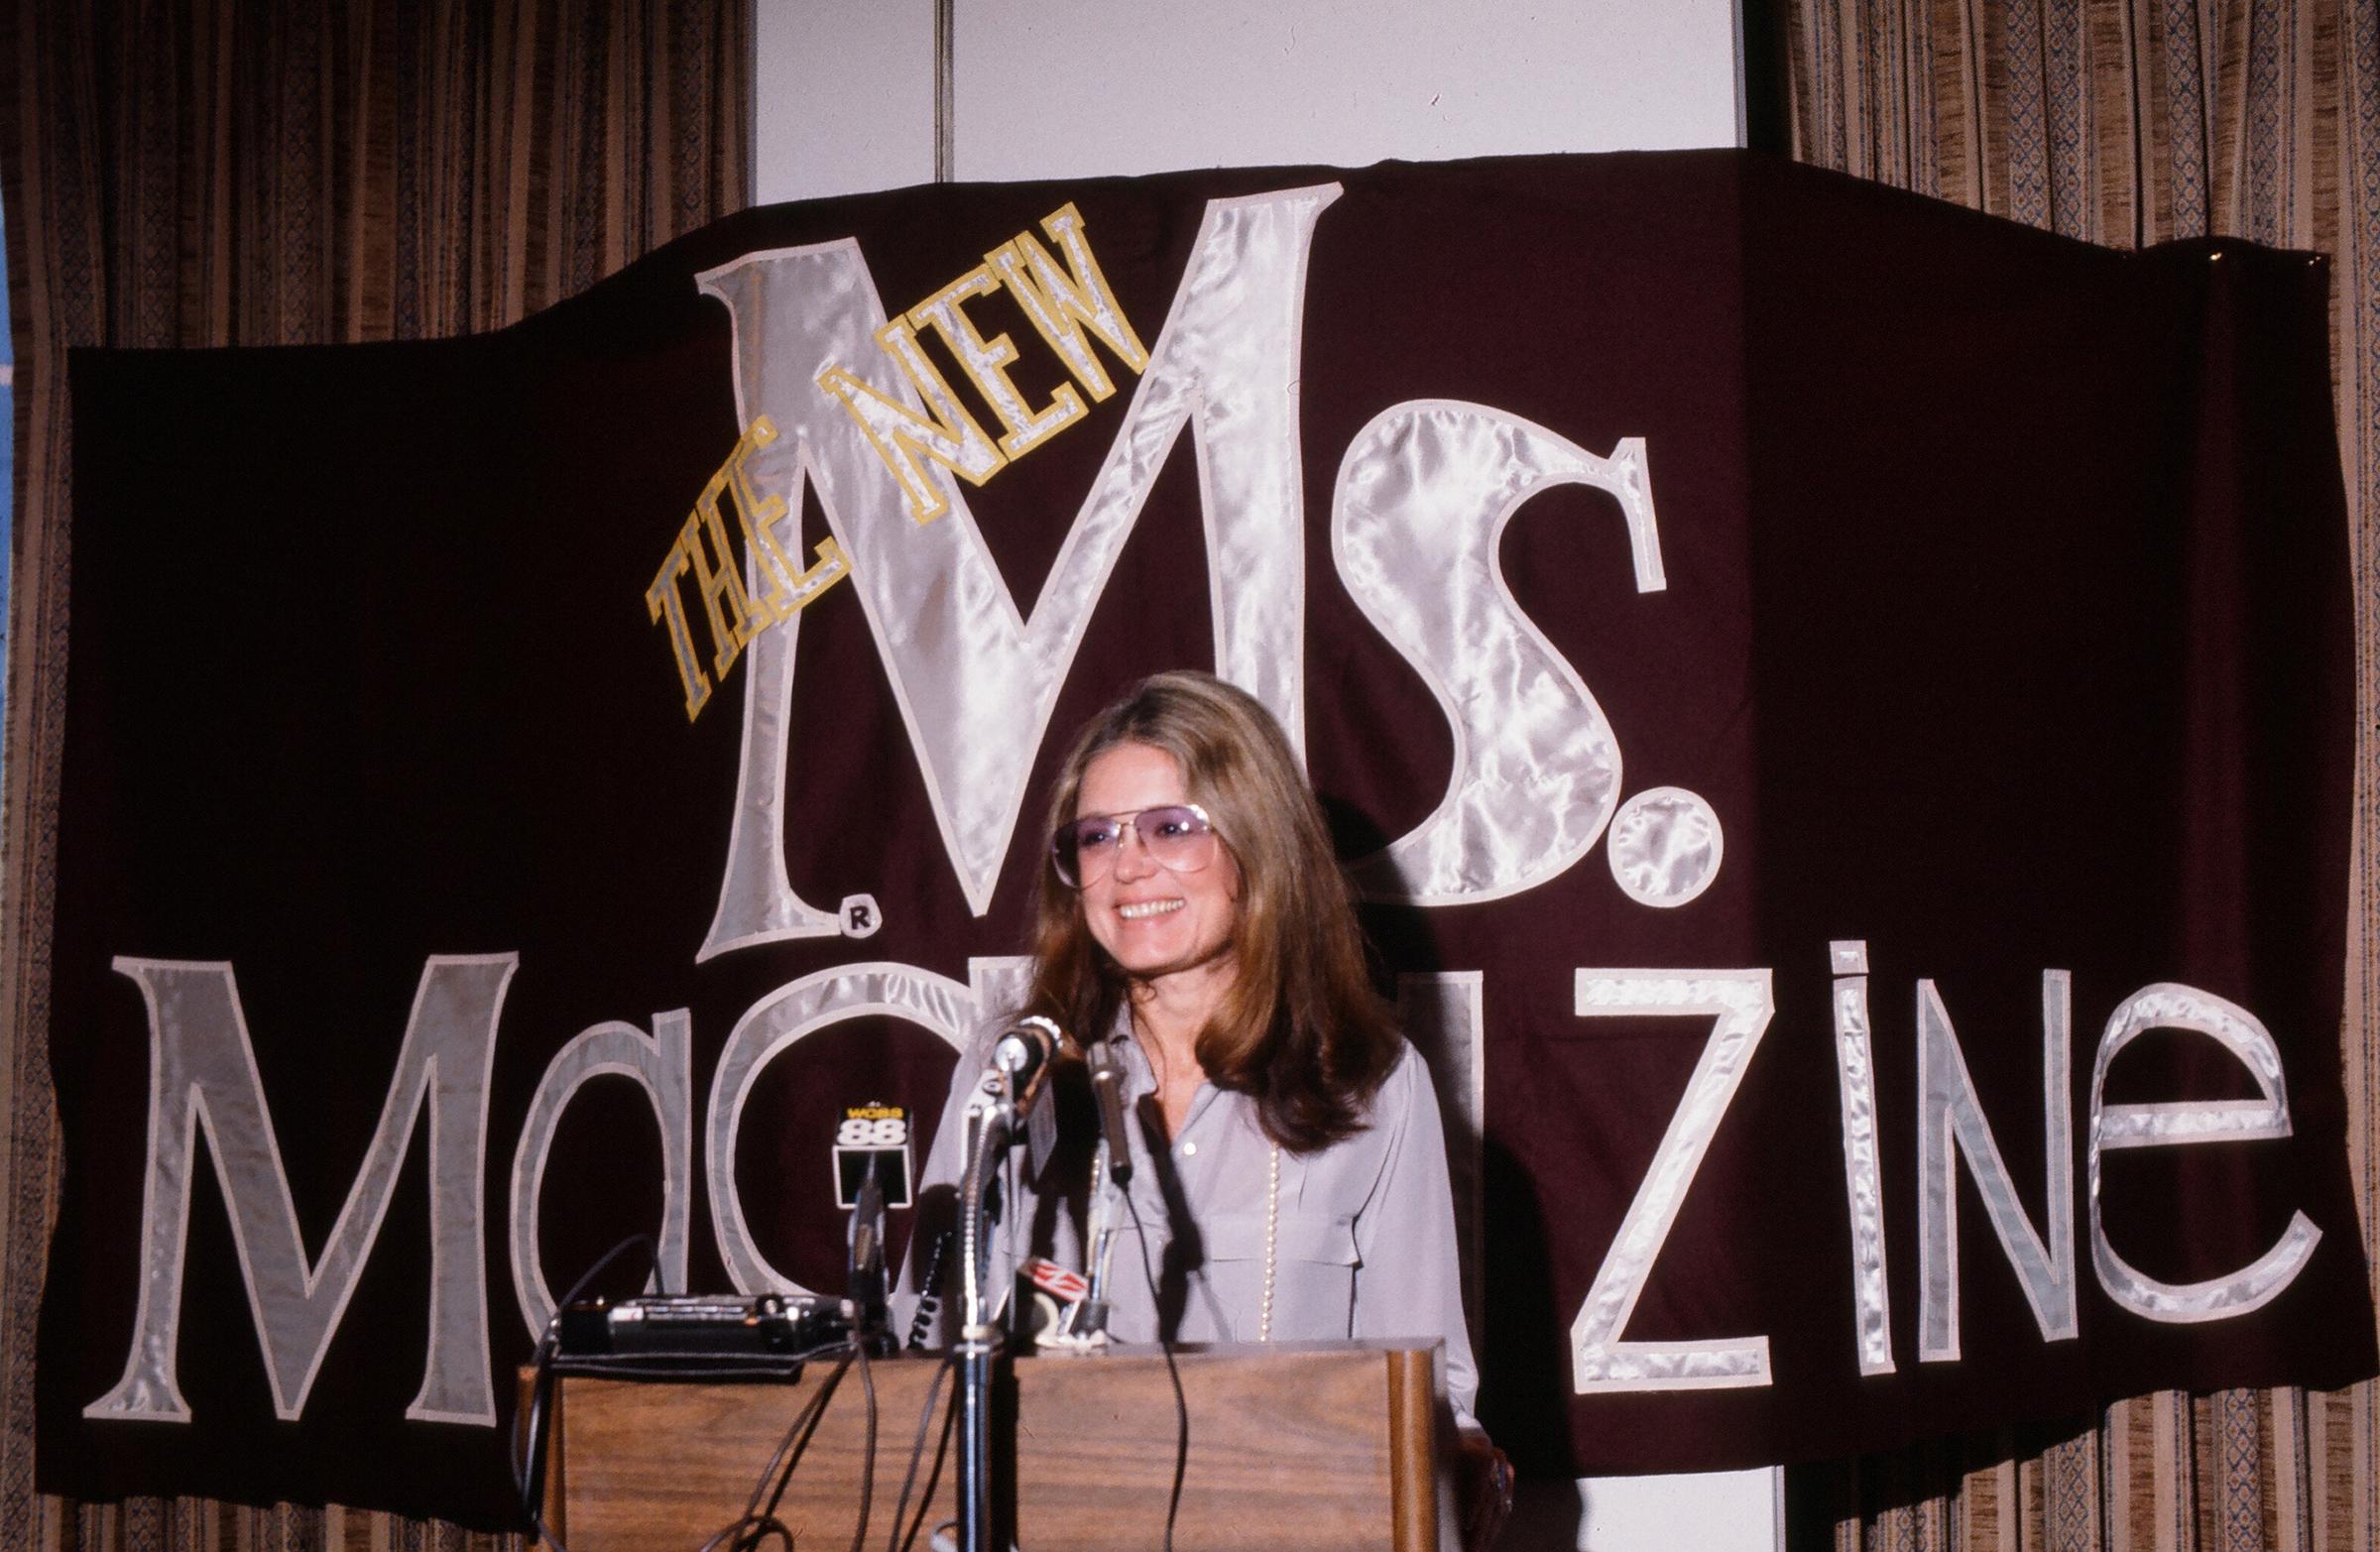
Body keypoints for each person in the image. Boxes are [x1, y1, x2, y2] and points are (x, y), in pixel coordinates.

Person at [897, 669, 1510, 1547]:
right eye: (1097, 835)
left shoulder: (1371, 1080)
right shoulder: (1017, 1067)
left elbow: (1426, 1396)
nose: (1128, 864)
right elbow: (929, 1371)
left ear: (1258, 847)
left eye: (1172, 826)